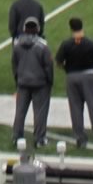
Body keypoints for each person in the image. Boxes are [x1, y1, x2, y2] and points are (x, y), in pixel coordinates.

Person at [56, 17, 93, 149]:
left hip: (72, 77)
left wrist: (67, 68)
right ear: (82, 27)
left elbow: (59, 62)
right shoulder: (90, 43)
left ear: (71, 28)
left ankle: (80, 139)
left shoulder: (66, 44)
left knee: (76, 109)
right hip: (89, 76)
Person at [11, 17, 54, 147]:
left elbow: (14, 64)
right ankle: (39, 139)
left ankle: (17, 137)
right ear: (37, 30)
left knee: (20, 111)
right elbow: (48, 66)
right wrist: (49, 81)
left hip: (23, 82)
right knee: (40, 112)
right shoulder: (42, 47)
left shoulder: (17, 45)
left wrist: (18, 79)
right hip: (40, 83)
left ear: (24, 29)